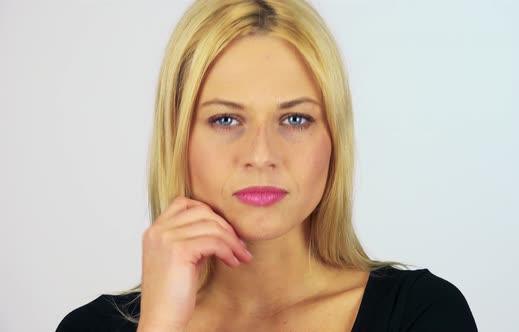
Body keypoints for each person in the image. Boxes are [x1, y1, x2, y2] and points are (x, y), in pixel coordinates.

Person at [56, 0, 478, 331]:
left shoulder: (422, 314)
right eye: (226, 119)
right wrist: (162, 326)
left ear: (334, 139)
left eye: (295, 119)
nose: (261, 155)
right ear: (179, 138)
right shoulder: (92, 328)